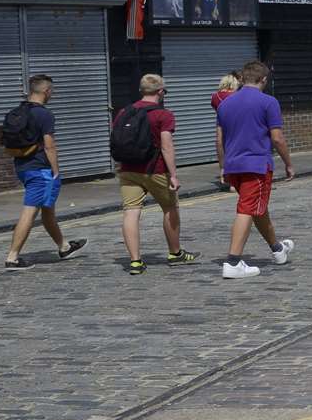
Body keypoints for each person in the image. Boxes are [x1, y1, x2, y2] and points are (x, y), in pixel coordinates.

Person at [114, 74, 198, 275]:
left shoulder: (124, 112)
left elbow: (119, 139)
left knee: (131, 212)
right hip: (156, 170)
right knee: (170, 208)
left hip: (128, 169)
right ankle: (175, 253)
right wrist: (174, 175)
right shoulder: (163, 115)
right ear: (160, 92)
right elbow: (167, 146)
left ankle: (135, 261)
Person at [217, 60, 294, 279]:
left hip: (233, 165)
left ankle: (277, 249)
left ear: (242, 78)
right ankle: (233, 262)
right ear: (263, 80)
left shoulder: (225, 104)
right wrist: (288, 163)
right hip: (256, 165)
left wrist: (222, 166)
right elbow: (277, 138)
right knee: (247, 209)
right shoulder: (268, 102)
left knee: (256, 207)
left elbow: (219, 139)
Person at [1, 74, 86, 271]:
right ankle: (12, 257)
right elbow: (49, 146)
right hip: (41, 169)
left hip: (22, 166)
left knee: (48, 209)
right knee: (30, 211)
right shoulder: (44, 114)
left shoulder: (18, 111)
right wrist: (55, 171)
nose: (52, 94)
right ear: (47, 91)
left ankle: (64, 247)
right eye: (52, 91)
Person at [211, 73, 240, 191]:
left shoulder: (214, 97)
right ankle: (236, 182)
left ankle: (228, 176)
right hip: (238, 125)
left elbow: (217, 110)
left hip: (222, 125)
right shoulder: (237, 96)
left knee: (224, 148)